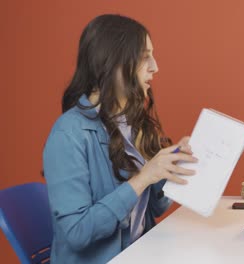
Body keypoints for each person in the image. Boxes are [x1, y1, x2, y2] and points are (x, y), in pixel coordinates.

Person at [42, 14, 198, 263]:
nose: (155, 66)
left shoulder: (131, 124)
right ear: (112, 61)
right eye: (145, 56)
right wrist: (143, 177)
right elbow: (77, 232)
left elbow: (155, 209)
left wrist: (168, 167)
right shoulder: (68, 135)